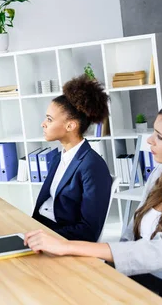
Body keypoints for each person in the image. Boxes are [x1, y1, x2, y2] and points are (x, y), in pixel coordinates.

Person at [25, 101, 162, 302]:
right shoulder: (161, 173)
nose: (150, 141)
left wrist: (68, 246)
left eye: (160, 137)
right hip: (133, 275)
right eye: (153, 132)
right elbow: (131, 233)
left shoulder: (91, 164)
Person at [32, 75, 112, 242]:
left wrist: (48, 237)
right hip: (40, 227)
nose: (43, 124)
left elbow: (89, 230)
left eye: (49, 119)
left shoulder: (92, 166)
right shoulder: (57, 156)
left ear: (70, 126)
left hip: (59, 237)